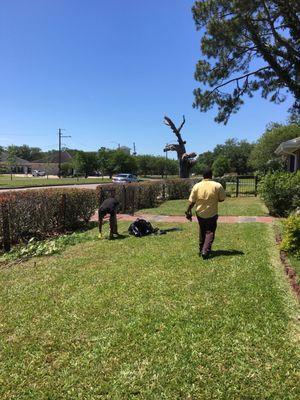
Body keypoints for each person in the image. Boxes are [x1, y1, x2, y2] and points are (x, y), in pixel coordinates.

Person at [185, 168, 226, 259]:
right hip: (212, 213)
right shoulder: (217, 185)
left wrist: (188, 210)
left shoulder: (197, 186)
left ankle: (201, 248)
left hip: (199, 213)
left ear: (203, 176)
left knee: (202, 230)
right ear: (211, 175)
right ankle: (205, 251)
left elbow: (192, 201)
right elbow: (222, 199)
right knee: (210, 232)